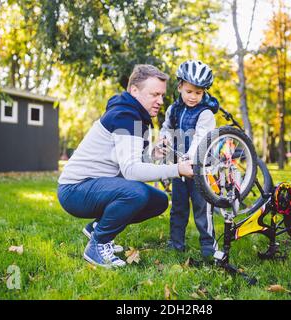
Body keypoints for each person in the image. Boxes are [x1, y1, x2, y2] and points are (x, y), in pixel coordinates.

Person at [57, 64, 194, 268]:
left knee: (159, 200)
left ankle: (98, 227)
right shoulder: (125, 117)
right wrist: (176, 170)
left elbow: (127, 161)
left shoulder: (136, 116)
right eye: (155, 94)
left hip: (95, 185)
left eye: (162, 95)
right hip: (74, 189)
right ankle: (98, 243)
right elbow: (131, 172)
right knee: (136, 193)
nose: (160, 101)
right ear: (134, 90)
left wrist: (152, 154)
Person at [159, 60, 220, 259]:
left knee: (203, 210)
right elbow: (167, 128)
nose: (193, 97)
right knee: (178, 207)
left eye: (198, 93)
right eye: (189, 91)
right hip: (179, 168)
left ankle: (208, 248)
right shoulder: (173, 109)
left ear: (204, 93)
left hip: (200, 169)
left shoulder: (205, 113)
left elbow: (201, 139)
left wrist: (189, 157)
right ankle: (176, 244)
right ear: (180, 87)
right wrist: (165, 139)